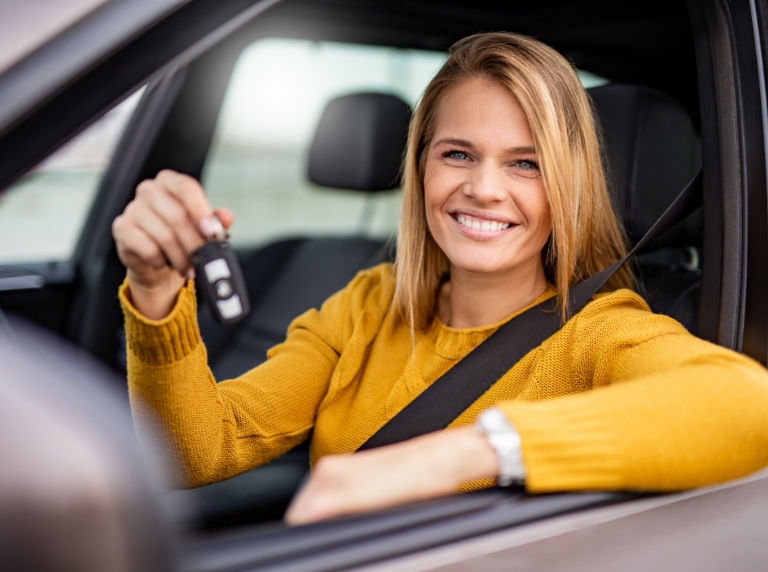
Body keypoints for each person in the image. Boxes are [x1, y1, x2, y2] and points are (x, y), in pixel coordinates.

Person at [112, 32, 768, 525]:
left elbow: (749, 406)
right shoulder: (367, 305)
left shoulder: (598, 334)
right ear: (422, 166)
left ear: (569, 187)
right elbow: (192, 452)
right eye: (458, 154)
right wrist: (156, 293)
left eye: (527, 164)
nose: (484, 189)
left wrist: (460, 455)